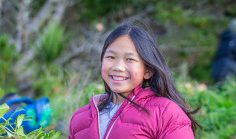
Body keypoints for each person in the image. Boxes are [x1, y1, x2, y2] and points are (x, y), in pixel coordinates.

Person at [68, 19, 202, 139]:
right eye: (111, 57)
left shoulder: (165, 113)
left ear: (147, 70)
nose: (118, 67)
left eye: (130, 59)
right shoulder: (81, 117)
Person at [212, 18, 236, 83]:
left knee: (218, 88)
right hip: (227, 69)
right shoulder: (232, 39)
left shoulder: (225, 37)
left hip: (218, 68)